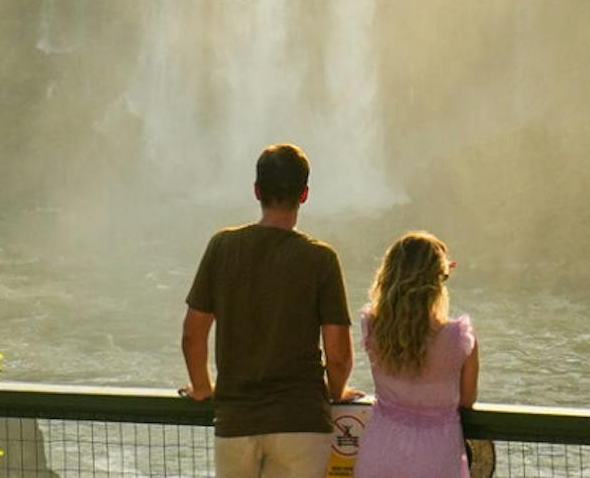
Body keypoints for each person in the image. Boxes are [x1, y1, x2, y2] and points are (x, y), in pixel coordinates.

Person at [184, 143, 361, 478]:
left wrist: (203, 388)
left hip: (236, 422)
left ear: (256, 191)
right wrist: (337, 393)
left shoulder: (222, 247)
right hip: (301, 422)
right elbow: (338, 354)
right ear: (305, 194)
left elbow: (193, 333)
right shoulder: (320, 259)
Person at [353, 232, 478, 478]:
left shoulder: (374, 327)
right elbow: (467, 399)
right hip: (437, 455)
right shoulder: (458, 337)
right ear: (437, 281)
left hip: (381, 449)